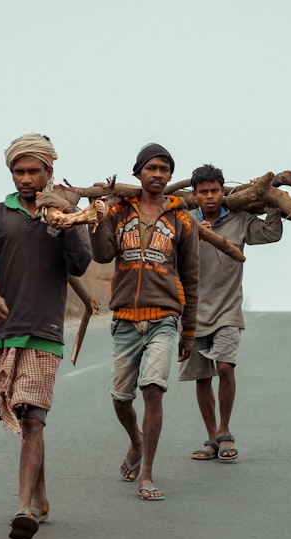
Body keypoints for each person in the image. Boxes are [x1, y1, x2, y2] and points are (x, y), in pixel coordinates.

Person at [0, 133, 92, 539]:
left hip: (46, 332)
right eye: (19, 171)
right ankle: (40, 496)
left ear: (50, 172)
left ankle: (22, 508)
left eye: (34, 171)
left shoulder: (65, 215)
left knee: (34, 418)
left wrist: (66, 218)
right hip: (6, 334)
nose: (26, 178)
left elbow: (81, 262)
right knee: (22, 415)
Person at [89, 143, 200, 501]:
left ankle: (147, 474)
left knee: (153, 389)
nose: (157, 174)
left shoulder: (182, 219)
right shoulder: (120, 212)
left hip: (164, 318)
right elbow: (103, 254)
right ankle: (135, 441)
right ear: (138, 173)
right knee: (121, 398)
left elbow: (191, 277)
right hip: (125, 319)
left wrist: (190, 329)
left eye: (164, 169)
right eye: (151, 167)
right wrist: (98, 218)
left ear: (170, 177)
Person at [179, 164, 283, 461]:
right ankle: (211, 437)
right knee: (201, 377)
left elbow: (271, 233)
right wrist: (195, 234)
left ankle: (225, 430)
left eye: (214, 191)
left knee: (224, 367)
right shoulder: (185, 222)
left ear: (223, 191)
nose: (209, 196)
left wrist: (274, 202)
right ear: (195, 195)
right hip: (193, 312)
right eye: (203, 192)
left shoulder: (239, 220)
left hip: (228, 310)